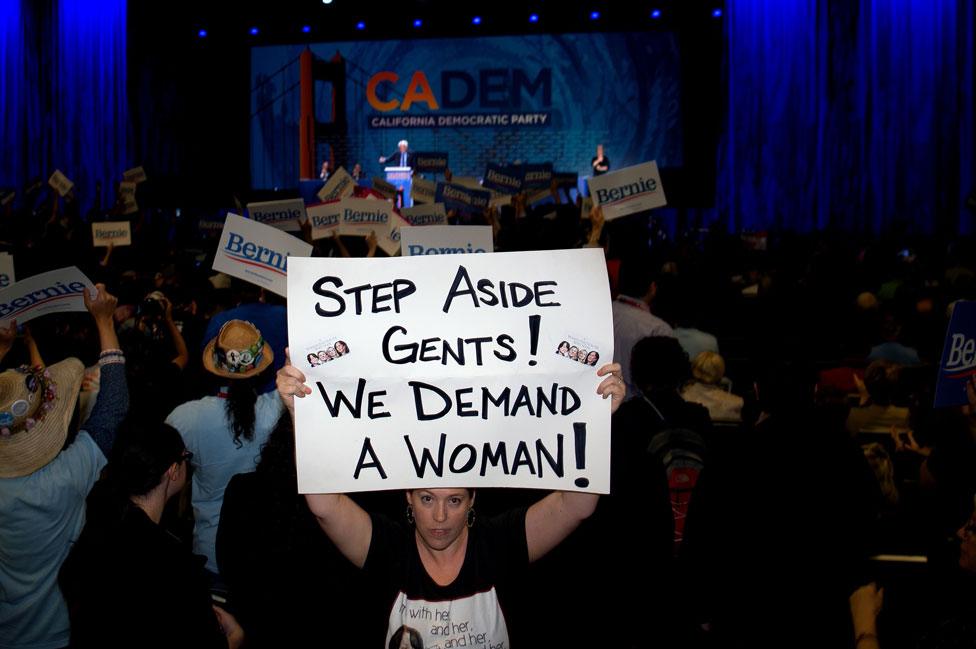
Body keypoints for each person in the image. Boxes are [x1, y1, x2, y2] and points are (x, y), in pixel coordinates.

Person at [276, 354, 625, 647]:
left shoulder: (499, 542)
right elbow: (325, 506)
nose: (440, 516)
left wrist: (595, 419)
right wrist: (301, 414)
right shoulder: (389, 548)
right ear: (408, 497)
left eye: (454, 500)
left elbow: (576, 506)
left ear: (473, 500)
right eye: (427, 498)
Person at [0, 284, 129, 649]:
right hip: (53, 632)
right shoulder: (63, 479)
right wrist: (104, 321)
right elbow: (113, 409)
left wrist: (2, 350)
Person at [59, 421, 244, 648]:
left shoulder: (95, 530)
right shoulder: (174, 566)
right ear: (173, 470)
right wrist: (234, 639)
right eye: (185, 456)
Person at [165, 319, 282, 576]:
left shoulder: (185, 418)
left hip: (208, 554)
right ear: (260, 368)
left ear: (215, 366)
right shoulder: (278, 412)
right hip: (262, 556)